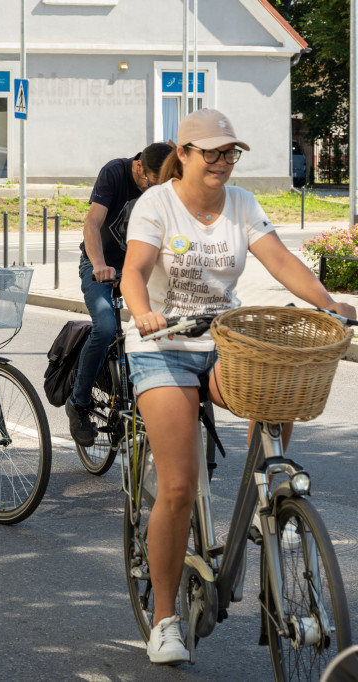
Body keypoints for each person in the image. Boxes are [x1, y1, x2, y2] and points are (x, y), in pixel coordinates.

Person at [121, 108, 356, 666]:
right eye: (213, 153)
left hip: (224, 341)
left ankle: (264, 500)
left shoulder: (243, 204)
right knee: (178, 487)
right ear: (183, 154)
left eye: (231, 153)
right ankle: (164, 620)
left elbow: (279, 260)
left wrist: (329, 302)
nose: (224, 163)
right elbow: (135, 270)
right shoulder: (157, 204)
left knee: (280, 387)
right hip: (164, 348)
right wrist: (143, 311)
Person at [66, 142, 173, 446]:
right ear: (139, 166)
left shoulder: (165, 186)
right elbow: (92, 223)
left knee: (163, 326)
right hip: (99, 263)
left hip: (136, 269)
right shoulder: (115, 173)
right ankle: (79, 402)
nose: (154, 190)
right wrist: (99, 264)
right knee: (105, 327)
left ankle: (147, 400)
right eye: (150, 182)